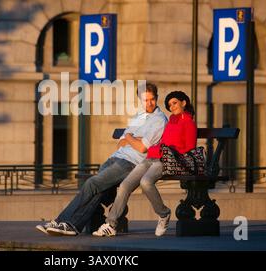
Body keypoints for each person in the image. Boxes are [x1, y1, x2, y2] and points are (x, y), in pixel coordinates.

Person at [35, 83, 167, 236]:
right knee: (97, 189)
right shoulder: (139, 116)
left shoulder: (159, 120)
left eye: (152, 99)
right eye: (145, 100)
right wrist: (133, 138)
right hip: (116, 157)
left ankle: (65, 222)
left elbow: (142, 148)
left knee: (93, 183)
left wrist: (130, 138)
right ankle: (67, 225)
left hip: (130, 163)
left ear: (156, 98)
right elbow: (121, 141)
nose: (149, 103)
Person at [93, 91, 196, 237]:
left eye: (174, 103)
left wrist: (170, 150)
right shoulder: (171, 120)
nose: (172, 107)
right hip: (152, 157)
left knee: (146, 182)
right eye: (169, 105)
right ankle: (111, 224)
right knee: (125, 186)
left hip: (169, 160)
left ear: (184, 102)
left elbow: (189, 148)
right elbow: (162, 140)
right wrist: (154, 147)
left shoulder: (189, 122)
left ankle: (164, 213)